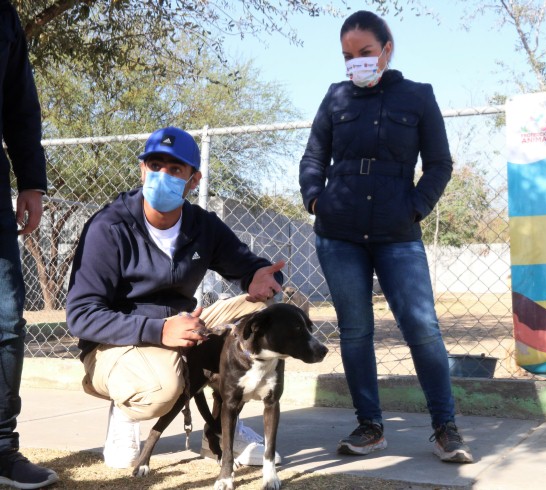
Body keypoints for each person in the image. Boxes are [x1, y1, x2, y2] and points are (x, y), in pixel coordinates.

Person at [298, 10, 473, 464]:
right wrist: (316, 200)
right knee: (356, 332)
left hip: (398, 233)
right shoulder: (335, 98)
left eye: (365, 53)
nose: (356, 62)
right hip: (338, 235)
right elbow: (313, 158)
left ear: (387, 50)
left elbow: (440, 164)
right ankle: (370, 427)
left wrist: (416, 207)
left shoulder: (417, 96)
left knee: (422, 327)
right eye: (347, 56)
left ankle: (445, 428)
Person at [66, 126, 284, 469]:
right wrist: (158, 330)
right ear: (142, 170)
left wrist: (259, 277)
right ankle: (125, 413)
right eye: (155, 166)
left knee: (265, 311)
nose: (162, 176)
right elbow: (80, 316)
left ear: (193, 180)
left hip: (182, 324)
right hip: (117, 341)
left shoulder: (202, 226)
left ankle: (220, 431)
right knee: (162, 389)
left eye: (175, 170)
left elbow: (250, 266)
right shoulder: (109, 226)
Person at [0, 1, 61, 488]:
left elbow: (21, 104)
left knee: (4, 319)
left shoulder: (4, 13)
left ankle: (1, 448)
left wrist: (31, 182)